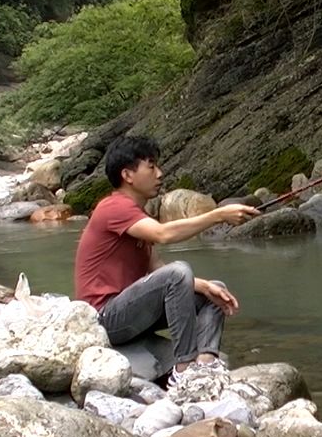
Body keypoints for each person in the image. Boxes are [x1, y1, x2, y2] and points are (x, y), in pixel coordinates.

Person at [73, 135, 258, 384]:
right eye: (151, 166)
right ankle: (183, 371)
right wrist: (218, 215)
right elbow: (164, 235)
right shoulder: (113, 208)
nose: (159, 174)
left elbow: (155, 268)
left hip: (132, 312)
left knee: (214, 292)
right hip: (105, 319)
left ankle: (206, 366)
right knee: (178, 271)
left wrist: (206, 287)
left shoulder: (137, 214)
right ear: (128, 175)